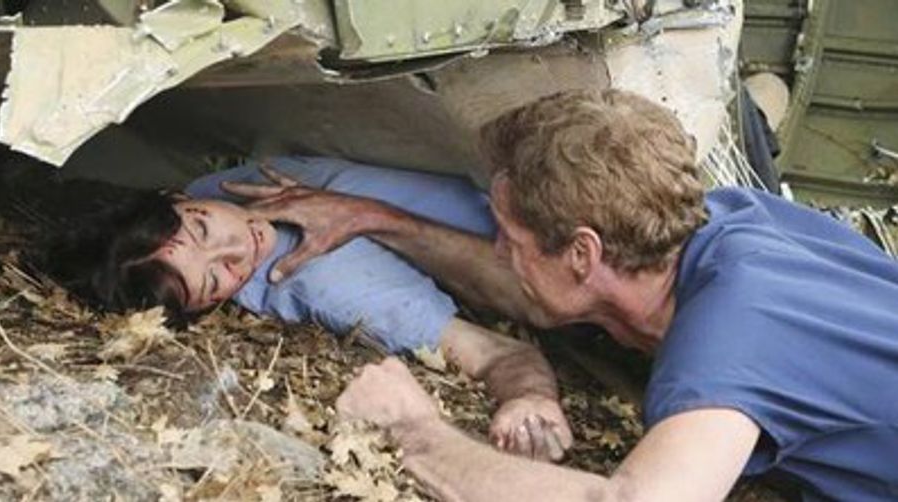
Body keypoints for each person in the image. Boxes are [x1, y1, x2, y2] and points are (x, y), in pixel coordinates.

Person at [222, 90, 898, 501]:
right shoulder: (723, 222)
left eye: (511, 237)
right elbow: (533, 288)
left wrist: (414, 432)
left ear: (583, 252)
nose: (499, 250)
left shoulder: (728, 344)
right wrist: (376, 218)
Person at [49, 156, 573, 461]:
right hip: (557, 251)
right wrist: (530, 399)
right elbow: (498, 354)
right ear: (208, 308)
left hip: (533, 195)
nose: (236, 249)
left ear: (178, 197)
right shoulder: (326, 285)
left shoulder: (222, 185)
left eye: (204, 227)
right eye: (213, 279)